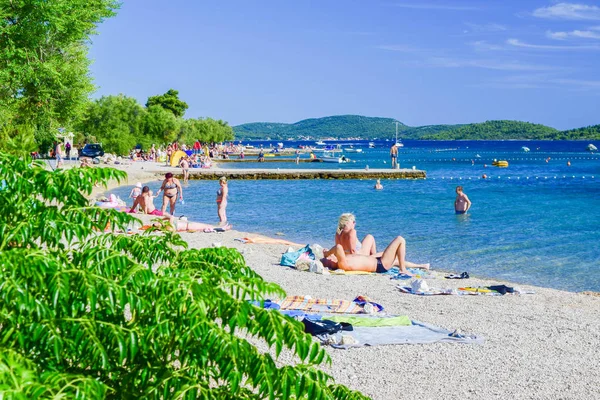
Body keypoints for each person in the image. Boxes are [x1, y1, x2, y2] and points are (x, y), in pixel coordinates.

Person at [322, 236, 428, 275]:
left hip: (375, 260)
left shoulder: (343, 260)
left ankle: (422, 266)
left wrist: (327, 256)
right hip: (380, 264)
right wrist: (327, 253)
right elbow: (338, 247)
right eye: (328, 259)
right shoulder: (342, 264)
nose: (329, 257)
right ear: (332, 263)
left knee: (397, 259)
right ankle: (403, 269)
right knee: (400, 240)